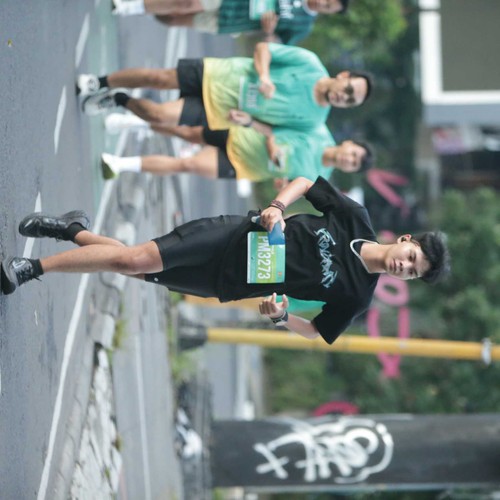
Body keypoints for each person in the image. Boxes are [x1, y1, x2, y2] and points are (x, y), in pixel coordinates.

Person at [0, 177, 450, 345]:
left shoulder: (357, 296)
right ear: (405, 241)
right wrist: (277, 206)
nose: (405, 266)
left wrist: (282, 317)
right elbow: (305, 182)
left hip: (231, 284)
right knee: (135, 260)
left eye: (413, 272)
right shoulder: (355, 218)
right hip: (232, 236)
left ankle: (71, 231)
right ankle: (31, 269)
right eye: (411, 257)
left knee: (131, 267)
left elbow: (317, 331)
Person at [77, 42, 373, 134]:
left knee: (158, 115)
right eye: (348, 90)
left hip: (222, 110)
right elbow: (263, 49)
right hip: (219, 75)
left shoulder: (315, 120)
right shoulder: (310, 62)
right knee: (159, 79)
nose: (343, 97)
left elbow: (274, 132)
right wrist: (265, 76)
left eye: (350, 102)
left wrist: (250, 122)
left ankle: (118, 99)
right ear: (344, 75)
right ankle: (100, 81)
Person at [99, 111, 374, 181]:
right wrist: (272, 144)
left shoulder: (319, 179)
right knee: (185, 131)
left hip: (242, 166)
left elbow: (286, 184)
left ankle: (120, 164)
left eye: (353, 164)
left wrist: (281, 184)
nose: (348, 160)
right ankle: (134, 122)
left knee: (188, 164)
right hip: (240, 134)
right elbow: (276, 123)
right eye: (353, 154)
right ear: (348, 143)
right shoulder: (317, 128)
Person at [151, 0, 350, 46]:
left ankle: (147, 10)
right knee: (186, 3)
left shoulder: (303, 26)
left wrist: (268, 31)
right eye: (327, 0)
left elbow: (274, 47)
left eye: (328, 7)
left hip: (231, 22)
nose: (322, 3)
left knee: (175, 19)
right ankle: (137, 6)